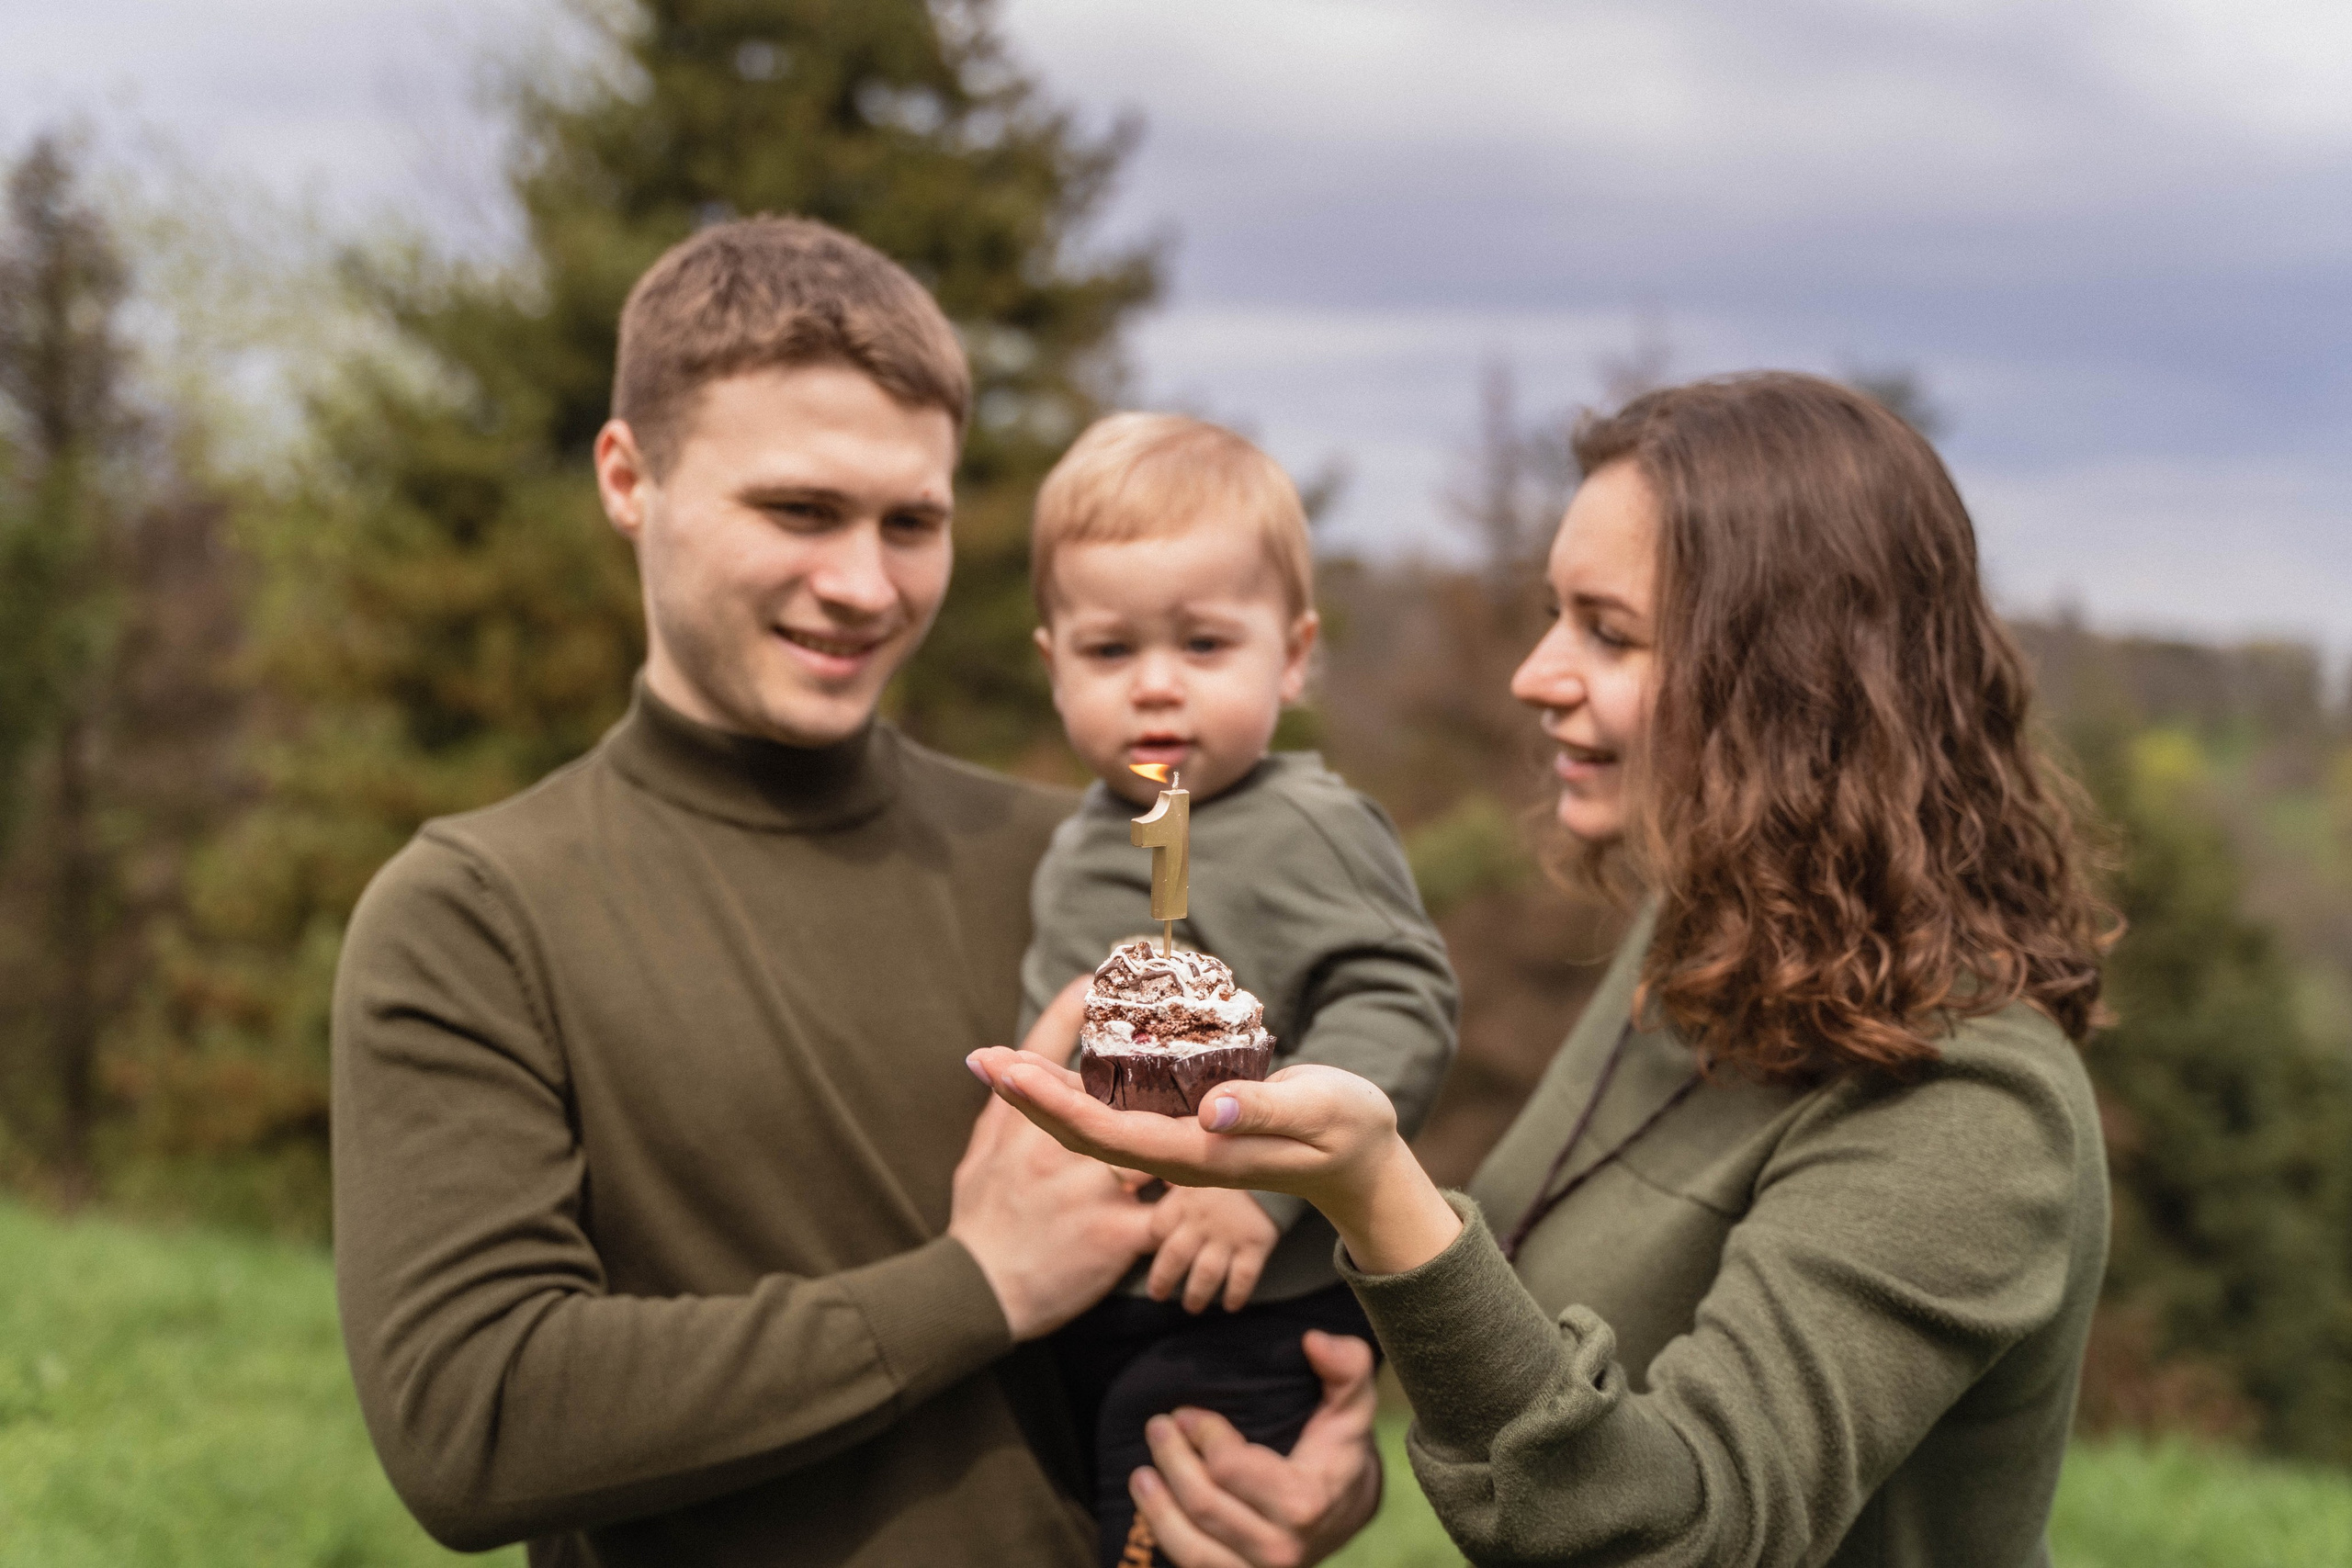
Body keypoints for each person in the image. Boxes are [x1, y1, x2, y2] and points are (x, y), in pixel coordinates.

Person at [975, 372, 2116, 1568]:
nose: (1535, 673)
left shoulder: (1967, 1099)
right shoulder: (1699, 941)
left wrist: (1375, 1187)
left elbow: (1686, 1533)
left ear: (1789, 680)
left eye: (1607, 631)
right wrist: (1330, 1466)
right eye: (1553, 613)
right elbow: (1548, 1399)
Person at [334, 215, 1215, 1566]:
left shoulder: (1097, 857)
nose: (863, 584)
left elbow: (1216, 1280)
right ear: (629, 476)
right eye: (798, 509)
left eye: (910, 521)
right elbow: (476, 1417)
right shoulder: (474, 911)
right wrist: (973, 1284)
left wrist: (1302, 1464)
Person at [1018, 412, 1458, 1565]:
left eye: (1205, 647)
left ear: (1294, 653)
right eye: (1111, 652)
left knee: (1173, 1506)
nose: (1156, 689)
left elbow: (1400, 999)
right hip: (1097, 1288)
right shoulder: (1078, 842)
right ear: (1052, 661)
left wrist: (1253, 1191)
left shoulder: (1304, 826)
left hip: (1244, 1299)